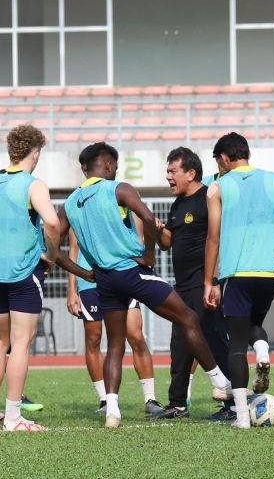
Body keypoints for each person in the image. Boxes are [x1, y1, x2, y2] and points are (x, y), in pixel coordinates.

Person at [63, 142, 232, 430]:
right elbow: (149, 219)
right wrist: (149, 254)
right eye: (114, 166)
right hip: (131, 271)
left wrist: (84, 273)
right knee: (188, 318)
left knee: (115, 344)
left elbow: (51, 251)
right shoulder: (119, 189)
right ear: (106, 165)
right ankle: (221, 382)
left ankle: (112, 411)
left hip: (103, 279)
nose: (116, 171)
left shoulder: (70, 203)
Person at [0, 125, 87, 432]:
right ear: (35, 152)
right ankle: (12, 417)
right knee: (21, 344)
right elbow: (52, 221)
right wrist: (51, 254)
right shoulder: (33, 184)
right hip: (24, 274)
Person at [66, 145, 165, 418]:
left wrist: (145, 256)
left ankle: (150, 398)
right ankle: (105, 400)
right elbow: (72, 249)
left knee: (134, 334)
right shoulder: (80, 203)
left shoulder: (120, 195)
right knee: (94, 338)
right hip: (91, 279)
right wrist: (72, 289)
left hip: (123, 272)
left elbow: (142, 232)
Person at [204, 132, 274, 429]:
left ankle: (241, 417)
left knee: (236, 344)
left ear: (225, 158)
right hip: (267, 273)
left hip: (236, 274)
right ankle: (264, 350)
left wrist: (210, 281)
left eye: (219, 161)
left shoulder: (217, 187)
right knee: (254, 325)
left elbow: (213, 237)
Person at [155, 146, 234, 420]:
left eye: (172, 171)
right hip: (183, 285)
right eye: (167, 170)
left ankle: (233, 403)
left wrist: (212, 282)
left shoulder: (208, 197)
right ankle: (177, 404)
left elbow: (218, 238)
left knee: (212, 341)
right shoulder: (178, 204)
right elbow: (167, 243)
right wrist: (157, 230)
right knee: (180, 344)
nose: (168, 176)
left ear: (191, 173)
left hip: (205, 284)